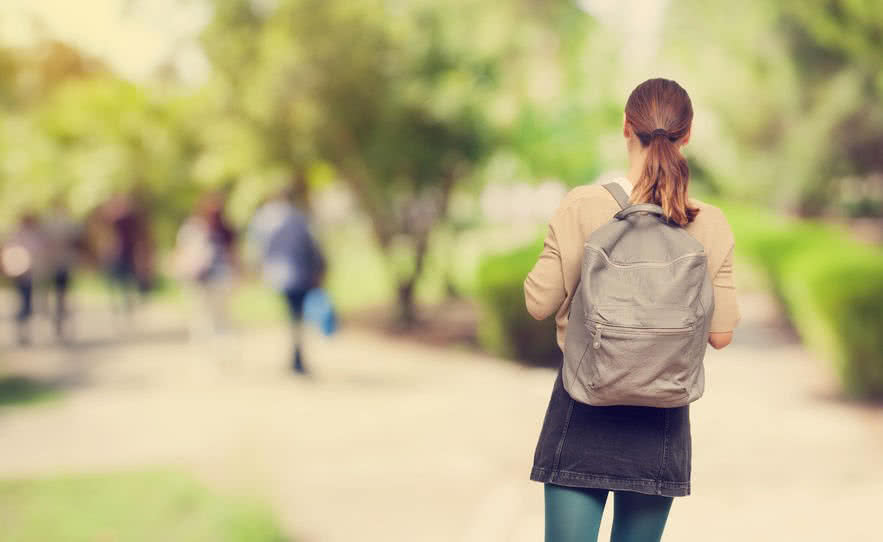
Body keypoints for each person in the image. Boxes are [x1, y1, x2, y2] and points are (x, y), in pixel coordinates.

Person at [524, 78, 742, 542]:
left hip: (582, 403)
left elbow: (538, 302)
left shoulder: (582, 205)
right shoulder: (708, 223)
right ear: (687, 134)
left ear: (627, 126)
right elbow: (721, 334)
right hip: (660, 414)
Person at [248, 189, 326, 375]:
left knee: (293, 315)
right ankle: (297, 356)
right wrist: (320, 268)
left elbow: (257, 249)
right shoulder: (297, 218)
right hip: (299, 273)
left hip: (277, 275)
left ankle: (295, 356)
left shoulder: (263, 220)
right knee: (296, 316)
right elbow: (311, 245)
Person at [174, 192, 238, 339]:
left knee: (205, 314)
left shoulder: (194, 228)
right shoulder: (200, 228)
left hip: (207, 278)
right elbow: (233, 256)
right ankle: (216, 342)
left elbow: (182, 252)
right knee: (217, 314)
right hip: (214, 277)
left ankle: (210, 342)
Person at [1, 213, 49, 346]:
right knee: (23, 301)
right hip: (19, 273)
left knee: (27, 301)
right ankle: (22, 329)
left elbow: (40, 253)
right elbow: (10, 253)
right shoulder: (17, 235)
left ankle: (25, 328)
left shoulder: (35, 236)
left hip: (31, 274)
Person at [43, 199, 84, 341]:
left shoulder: (70, 224)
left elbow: (78, 242)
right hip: (53, 264)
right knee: (58, 293)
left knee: (62, 293)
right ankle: (58, 319)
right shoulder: (48, 224)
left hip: (63, 263)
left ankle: (62, 320)